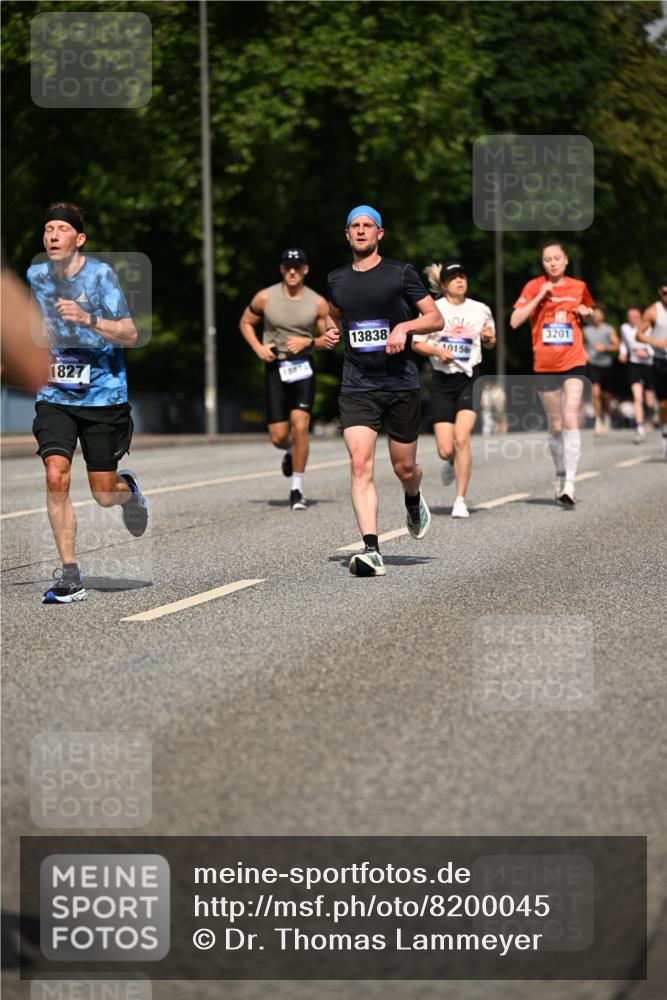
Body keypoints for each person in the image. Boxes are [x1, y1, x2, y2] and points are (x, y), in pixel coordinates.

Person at [27, 202, 148, 605]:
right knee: (56, 473)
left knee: (102, 492)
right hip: (56, 394)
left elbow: (130, 333)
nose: (52, 235)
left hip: (103, 395)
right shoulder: (36, 276)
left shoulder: (100, 277)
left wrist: (87, 319)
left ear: (79, 239)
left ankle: (127, 490)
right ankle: (70, 574)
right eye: (48, 229)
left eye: (61, 229)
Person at [327, 205, 443, 576]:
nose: (361, 231)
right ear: (347, 235)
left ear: (380, 233)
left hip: (400, 383)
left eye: (368, 226)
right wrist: (332, 333)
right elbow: (335, 318)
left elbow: (435, 318)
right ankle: (371, 549)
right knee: (360, 464)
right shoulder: (336, 279)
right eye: (355, 226)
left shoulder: (400, 273)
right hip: (357, 384)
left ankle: (413, 495)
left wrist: (405, 327)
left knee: (403, 466)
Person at [239, 248, 338, 510]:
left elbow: (330, 340)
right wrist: (258, 348)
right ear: (282, 269)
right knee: (279, 437)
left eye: (297, 267)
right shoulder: (265, 297)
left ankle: (297, 489)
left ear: (305, 270)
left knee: (300, 424)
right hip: (275, 366)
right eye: (287, 267)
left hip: (303, 366)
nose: (292, 271)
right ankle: (292, 450)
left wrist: (309, 341)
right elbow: (245, 323)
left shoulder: (317, 302)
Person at [509, 241, 594, 505]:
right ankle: (559, 472)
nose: (553, 263)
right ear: (542, 263)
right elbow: (514, 321)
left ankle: (570, 483)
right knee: (556, 425)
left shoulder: (579, 287)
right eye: (547, 260)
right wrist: (539, 296)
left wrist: (587, 312)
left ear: (566, 260)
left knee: (570, 420)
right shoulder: (534, 286)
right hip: (544, 365)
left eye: (557, 258)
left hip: (574, 362)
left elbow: (591, 313)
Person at [413, 260, 496, 518]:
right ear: (443, 284)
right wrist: (437, 350)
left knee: (462, 439)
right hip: (441, 381)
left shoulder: (480, 309)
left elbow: (491, 342)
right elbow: (416, 343)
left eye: (463, 276)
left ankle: (460, 500)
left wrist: (488, 337)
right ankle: (451, 462)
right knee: (445, 449)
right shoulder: (433, 310)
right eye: (454, 277)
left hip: (470, 379)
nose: (460, 281)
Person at [636, 278, 667, 459]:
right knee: (663, 403)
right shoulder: (652, 312)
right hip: (661, 360)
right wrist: (656, 342)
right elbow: (638, 334)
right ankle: (664, 435)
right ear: (659, 293)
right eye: (665, 293)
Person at [619, 304, 655, 443]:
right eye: (630, 317)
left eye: (636, 317)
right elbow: (624, 343)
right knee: (637, 397)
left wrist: (646, 353)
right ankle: (639, 427)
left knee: (650, 399)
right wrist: (623, 353)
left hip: (649, 364)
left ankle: (650, 416)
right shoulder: (625, 328)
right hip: (634, 364)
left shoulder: (649, 328)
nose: (633, 319)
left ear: (641, 316)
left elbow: (657, 344)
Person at [582, 304, 619, 435]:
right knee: (596, 393)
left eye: (599, 314)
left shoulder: (609, 329)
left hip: (606, 364)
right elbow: (580, 345)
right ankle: (598, 421)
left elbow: (616, 345)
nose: (596, 317)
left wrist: (605, 348)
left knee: (606, 395)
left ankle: (607, 417)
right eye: (594, 314)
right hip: (592, 364)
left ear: (603, 316)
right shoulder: (585, 330)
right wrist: (584, 353)